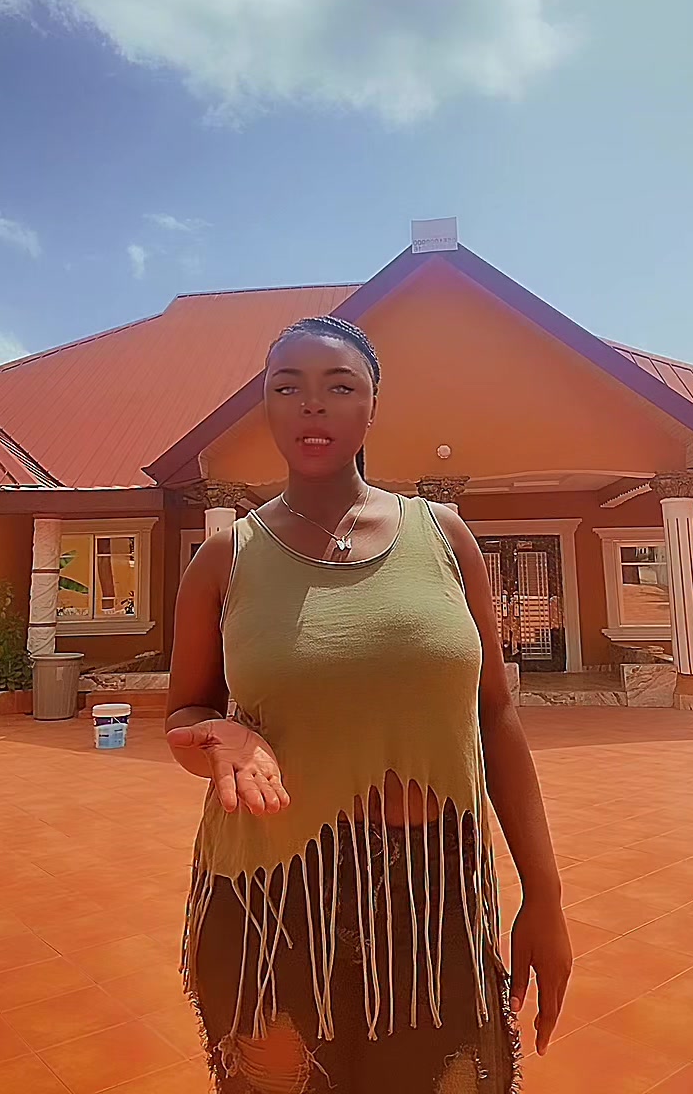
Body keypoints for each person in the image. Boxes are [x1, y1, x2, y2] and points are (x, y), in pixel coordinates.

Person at [166, 315, 572, 1093]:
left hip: (435, 900)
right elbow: (183, 714)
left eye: (339, 386)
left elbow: (495, 716)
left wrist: (544, 896)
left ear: (372, 407)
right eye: (287, 387)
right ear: (267, 406)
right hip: (270, 901)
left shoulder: (443, 537)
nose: (312, 404)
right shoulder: (225, 557)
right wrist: (222, 736)